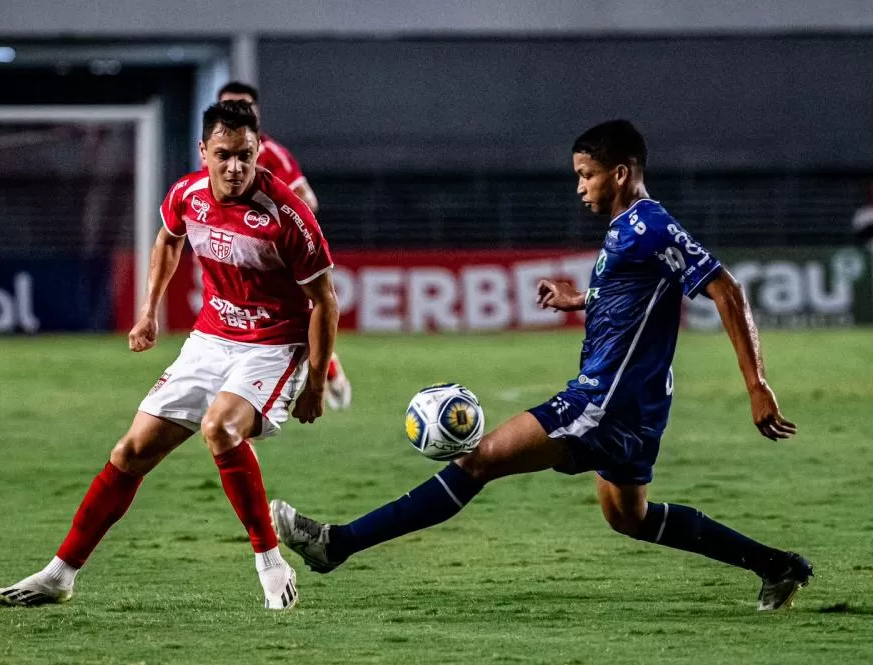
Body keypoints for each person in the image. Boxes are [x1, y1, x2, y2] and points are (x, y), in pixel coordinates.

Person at [271, 119, 812, 612]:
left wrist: (757, 385)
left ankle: (336, 544)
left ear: (620, 174)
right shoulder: (630, 228)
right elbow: (641, 298)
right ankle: (777, 567)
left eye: (587, 174)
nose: (580, 186)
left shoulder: (649, 226)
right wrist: (583, 300)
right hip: (637, 406)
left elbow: (726, 288)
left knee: (477, 461)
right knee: (630, 517)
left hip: (604, 400)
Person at [0, 100, 338, 611]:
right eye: (223, 155)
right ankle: (60, 574)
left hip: (272, 345)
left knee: (220, 428)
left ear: (259, 150)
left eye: (245, 155)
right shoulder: (186, 195)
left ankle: (269, 560)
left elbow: (324, 299)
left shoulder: (288, 217)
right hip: (210, 339)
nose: (235, 167)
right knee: (130, 452)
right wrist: (148, 310)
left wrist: (315, 383)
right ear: (204, 152)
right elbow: (168, 240)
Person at [218, 81, 352, 410]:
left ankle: (321, 371)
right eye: (227, 106)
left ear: (256, 113)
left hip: (274, 255)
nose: (235, 113)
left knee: (297, 316)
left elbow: (308, 201)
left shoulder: (271, 153)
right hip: (235, 253)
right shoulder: (215, 150)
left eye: (243, 106)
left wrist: (272, 223)